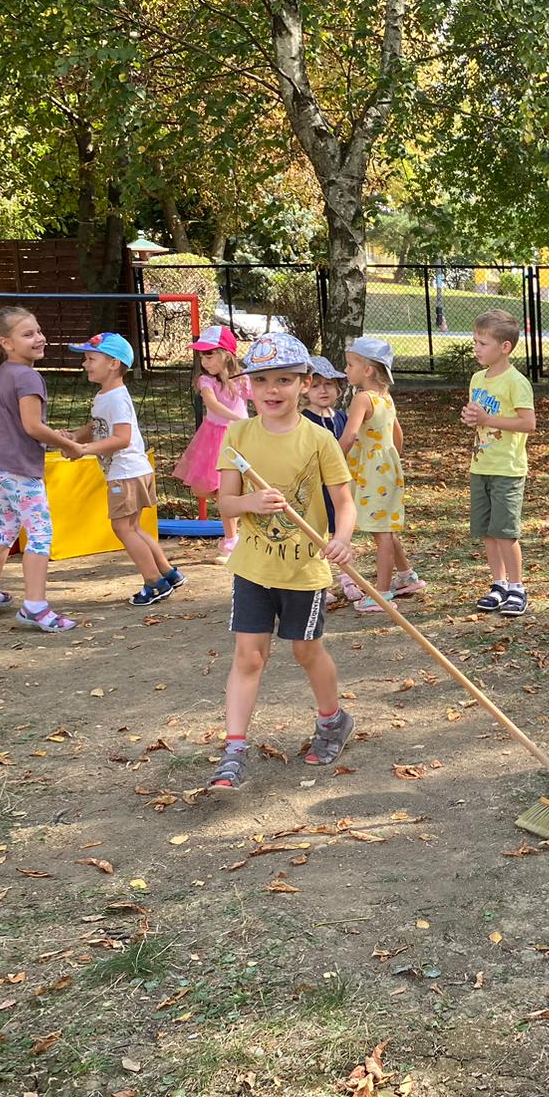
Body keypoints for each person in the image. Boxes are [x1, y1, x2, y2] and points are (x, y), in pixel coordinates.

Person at [207, 332, 357, 790]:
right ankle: (234, 749)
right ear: (248, 384)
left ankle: (333, 720)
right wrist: (250, 502)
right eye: (263, 380)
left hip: (304, 568)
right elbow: (225, 505)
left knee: (305, 650)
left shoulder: (319, 439)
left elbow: (345, 503)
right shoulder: (238, 433)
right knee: (249, 656)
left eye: (285, 380)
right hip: (253, 567)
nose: (273, 390)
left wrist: (342, 540)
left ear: (305, 383)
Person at [0, 306, 82, 631]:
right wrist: (68, 445)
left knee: (5, 524)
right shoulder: (28, 376)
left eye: (39, 330)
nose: (39, 338)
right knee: (41, 532)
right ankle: (34, 607)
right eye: (28, 334)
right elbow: (32, 426)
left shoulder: (5, 372)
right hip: (16, 468)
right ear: (6, 342)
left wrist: (52, 435)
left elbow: (19, 424)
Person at [63, 332, 184, 607]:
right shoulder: (105, 395)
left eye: (91, 358)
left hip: (126, 472)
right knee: (133, 527)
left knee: (123, 528)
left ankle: (154, 584)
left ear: (114, 363)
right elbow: (97, 426)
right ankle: (169, 574)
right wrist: (75, 438)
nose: (85, 364)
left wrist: (84, 450)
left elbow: (121, 438)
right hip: (132, 470)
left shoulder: (116, 397)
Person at [461, 309, 536, 617]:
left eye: (483, 342)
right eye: (475, 341)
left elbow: (528, 423)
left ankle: (518, 587)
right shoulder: (478, 379)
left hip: (507, 469)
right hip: (481, 466)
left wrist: (488, 418)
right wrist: (471, 419)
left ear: (504, 347)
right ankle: (499, 584)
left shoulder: (516, 382)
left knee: (505, 531)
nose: (476, 348)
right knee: (489, 532)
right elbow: (479, 419)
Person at [338, 338, 421, 611]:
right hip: (386, 468)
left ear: (368, 370)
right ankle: (406, 576)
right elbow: (398, 433)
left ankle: (382, 593)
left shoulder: (362, 398)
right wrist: (391, 459)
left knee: (380, 533)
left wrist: (332, 460)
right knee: (386, 527)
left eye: (351, 364)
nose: (346, 370)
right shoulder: (385, 397)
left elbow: (349, 436)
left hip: (372, 472)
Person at [172, 325, 249, 562]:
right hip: (216, 437)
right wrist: (241, 420)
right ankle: (234, 537)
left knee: (234, 488)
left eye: (209, 354)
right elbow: (213, 405)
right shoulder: (205, 380)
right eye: (202, 355)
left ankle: (233, 540)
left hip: (240, 438)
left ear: (226, 354)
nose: (204, 361)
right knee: (207, 489)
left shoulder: (243, 378)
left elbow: (263, 395)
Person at [303, 356, 361, 606]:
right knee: (318, 533)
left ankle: (349, 578)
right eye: (316, 385)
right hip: (316, 486)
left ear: (338, 387)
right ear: (305, 390)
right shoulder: (304, 421)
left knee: (342, 532)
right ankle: (318, 582)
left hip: (340, 485)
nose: (323, 390)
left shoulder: (341, 417)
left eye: (328, 384)